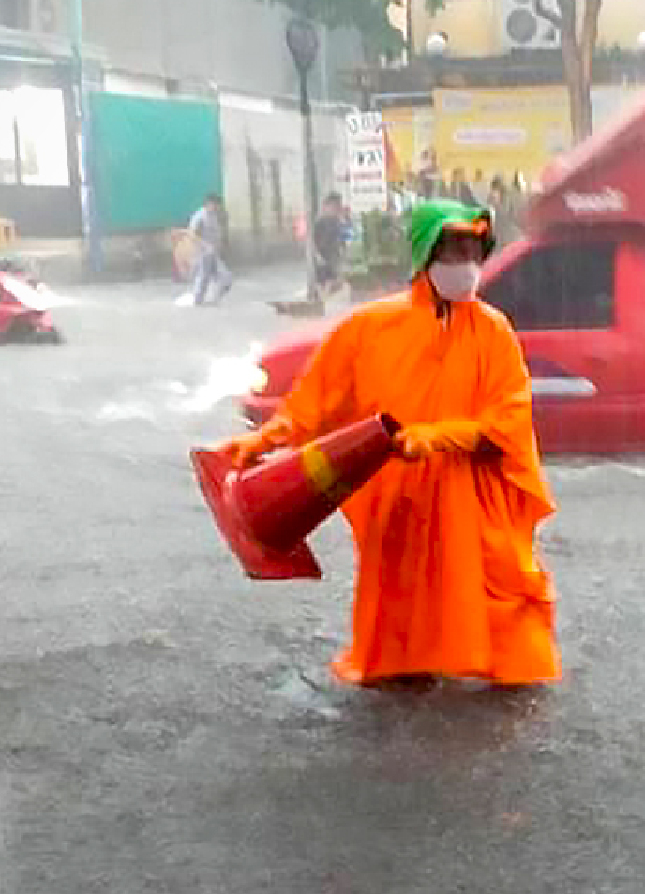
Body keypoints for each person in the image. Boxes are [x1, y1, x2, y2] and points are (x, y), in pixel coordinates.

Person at [215, 200, 558, 690]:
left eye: (474, 250)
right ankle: (404, 686)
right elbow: (316, 401)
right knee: (402, 610)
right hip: (397, 497)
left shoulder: (494, 331)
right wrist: (267, 438)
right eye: (454, 249)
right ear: (425, 255)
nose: (467, 264)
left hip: (472, 496)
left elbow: (507, 418)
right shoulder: (369, 329)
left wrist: (436, 437)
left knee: (501, 597)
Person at [181, 193, 233, 306]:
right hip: (201, 254)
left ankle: (213, 300)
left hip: (213, 254)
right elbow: (191, 234)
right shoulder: (199, 216)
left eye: (218, 206)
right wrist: (205, 245)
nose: (217, 208)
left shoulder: (213, 215)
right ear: (209, 204)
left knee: (226, 278)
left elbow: (216, 233)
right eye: (216, 205)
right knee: (202, 280)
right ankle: (197, 303)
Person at [310, 192, 347, 303]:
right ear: (327, 206)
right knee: (323, 281)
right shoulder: (320, 222)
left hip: (333, 257)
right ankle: (322, 302)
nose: (336, 209)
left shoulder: (337, 221)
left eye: (338, 206)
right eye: (334, 206)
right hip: (323, 256)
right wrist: (317, 256)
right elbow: (313, 241)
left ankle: (325, 302)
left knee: (333, 281)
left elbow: (341, 239)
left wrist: (342, 253)